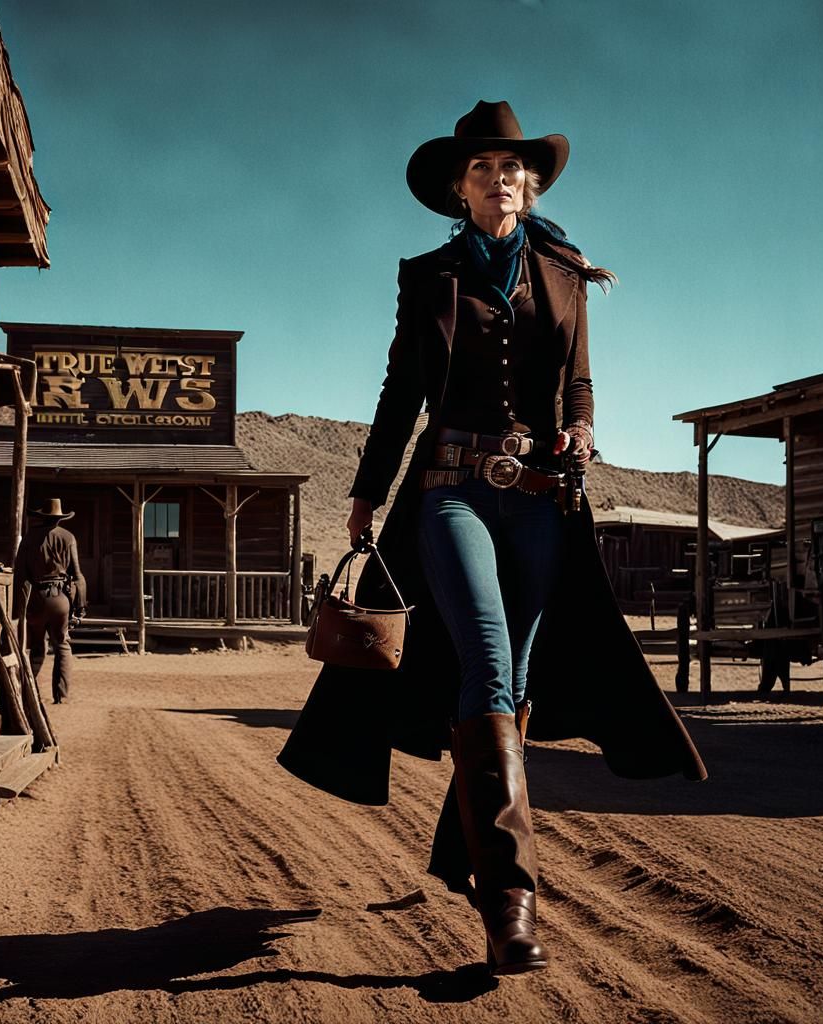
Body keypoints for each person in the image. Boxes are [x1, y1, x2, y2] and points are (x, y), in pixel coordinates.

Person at [278, 101, 707, 976]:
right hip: (450, 492)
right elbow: (402, 392)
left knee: (514, 685)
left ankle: (462, 849)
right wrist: (366, 491)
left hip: (543, 498)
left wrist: (581, 432)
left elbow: (579, 383)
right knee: (483, 657)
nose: (499, 178)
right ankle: (510, 903)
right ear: (457, 188)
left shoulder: (566, 273)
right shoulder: (427, 275)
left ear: (530, 181)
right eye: (482, 168)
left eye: (512, 167)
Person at [14, 498, 87, 705]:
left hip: (36, 598)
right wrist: (80, 606)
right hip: (60, 600)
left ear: (42, 516)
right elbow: (77, 574)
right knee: (62, 645)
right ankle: (61, 695)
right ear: (59, 518)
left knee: (37, 648)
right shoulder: (68, 537)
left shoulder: (29, 539)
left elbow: (20, 574)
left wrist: (18, 607)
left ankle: (25, 692)